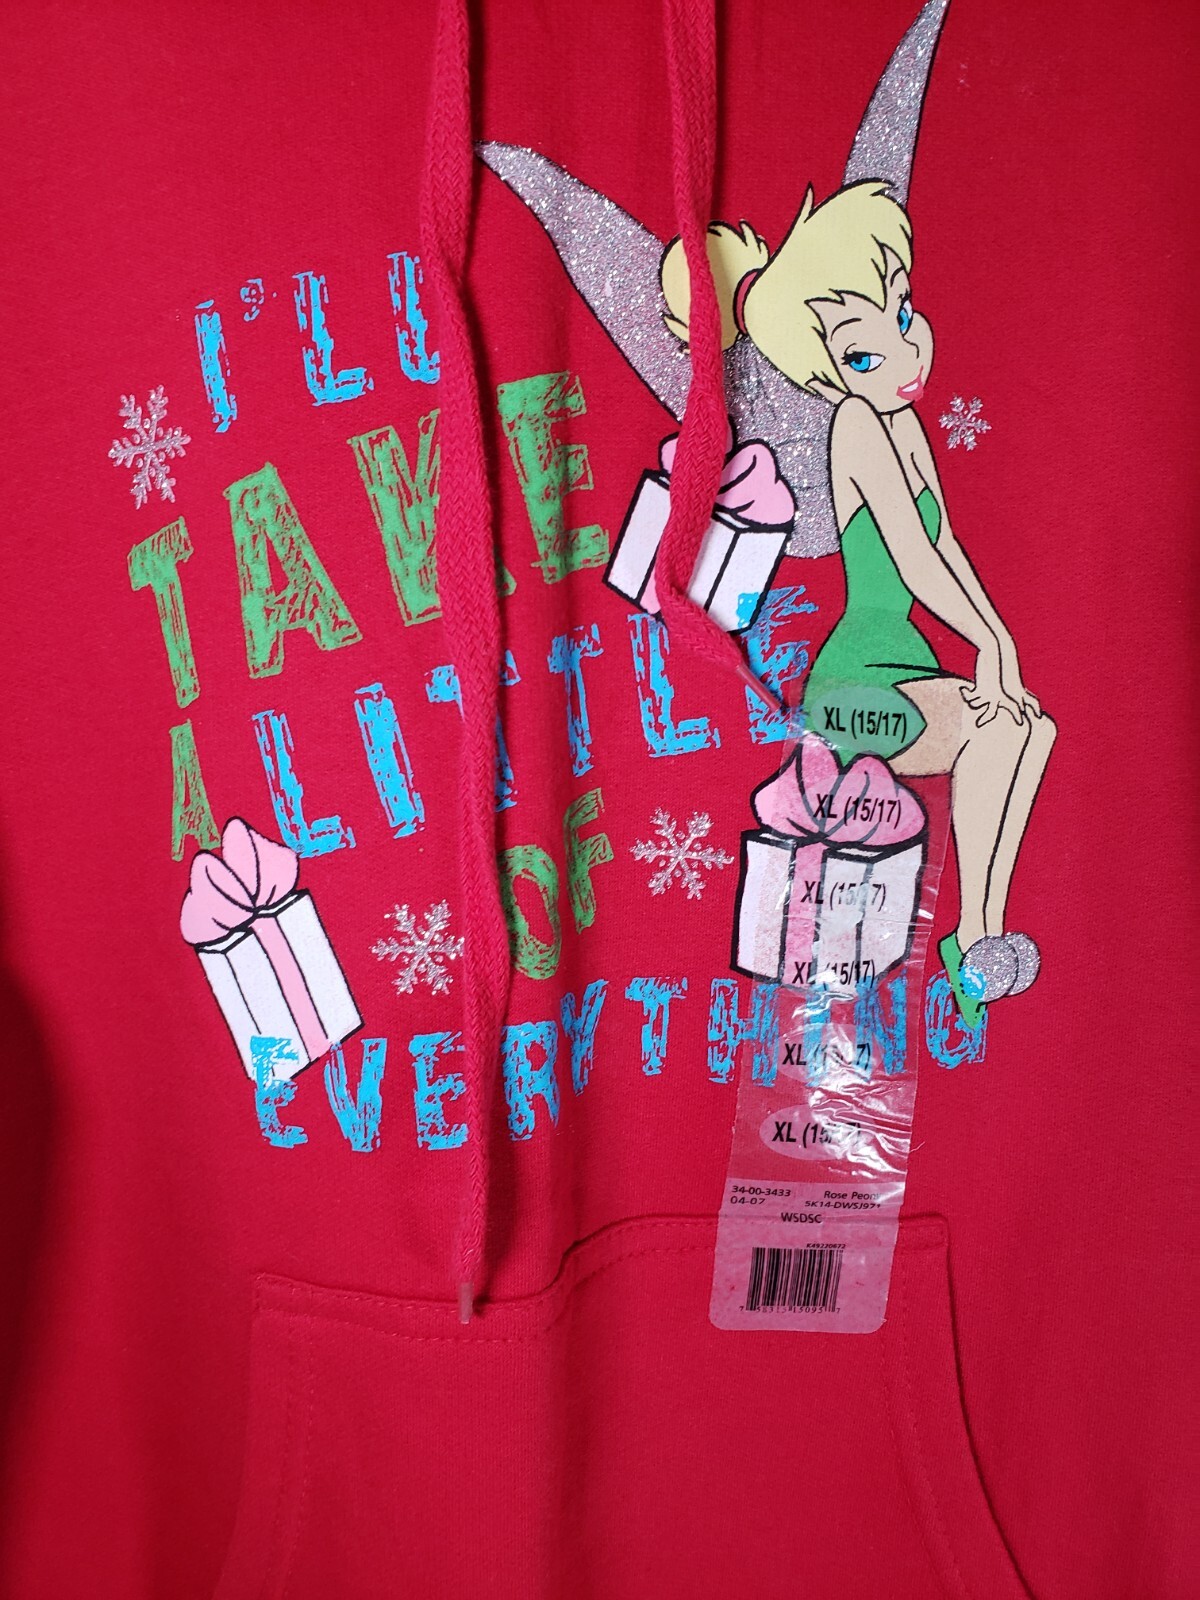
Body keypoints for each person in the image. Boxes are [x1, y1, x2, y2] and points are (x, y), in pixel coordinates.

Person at [660, 183, 1058, 1026]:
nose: (907, 352)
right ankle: (974, 939)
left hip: (904, 656)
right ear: (825, 368)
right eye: (864, 353)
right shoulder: (857, 425)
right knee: (997, 729)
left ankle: (981, 936)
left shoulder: (902, 421)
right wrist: (991, 647)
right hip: (856, 680)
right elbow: (911, 559)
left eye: (903, 314)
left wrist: (1000, 639)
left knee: (1034, 727)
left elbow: (946, 545)